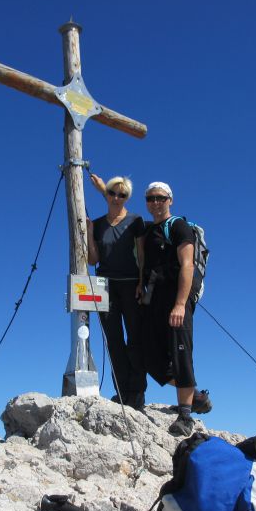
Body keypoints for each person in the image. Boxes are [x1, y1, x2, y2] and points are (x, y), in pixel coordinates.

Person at [137, 181, 212, 436]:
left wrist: (181, 304)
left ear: (170, 200)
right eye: (150, 198)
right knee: (151, 359)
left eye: (160, 198)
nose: (155, 203)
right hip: (155, 298)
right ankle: (196, 396)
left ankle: (185, 415)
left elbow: (187, 265)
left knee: (180, 352)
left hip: (176, 298)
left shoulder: (178, 226)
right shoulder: (148, 231)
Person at [86, 173, 147, 410]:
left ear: (127, 198)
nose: (116, 198)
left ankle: (137, 393)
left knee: (135, 339)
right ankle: (121, 393)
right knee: (113, 340)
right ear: (107, 194)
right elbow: (93, 259)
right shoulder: (100, 223)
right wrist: (90, 234)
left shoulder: (135, 221)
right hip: (105, 285)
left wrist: (142, 282)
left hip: (131, 283)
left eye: (122, 195)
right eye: (112, 193)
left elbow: (141, 255)